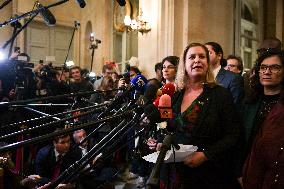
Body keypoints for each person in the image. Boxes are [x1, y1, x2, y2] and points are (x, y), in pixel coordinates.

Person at [158, 43, 242, 189]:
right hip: (174, 171)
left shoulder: (220, 95)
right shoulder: (175, 95)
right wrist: (161, 141)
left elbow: (233, 134)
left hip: (207, 173)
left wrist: (205, 155)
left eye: (202, 56)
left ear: (208, 63)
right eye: (192, 57)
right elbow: (165, 124)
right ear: (184, 64)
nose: (197, 60)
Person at [241, 49, 284, 189]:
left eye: (275, 67)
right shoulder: (249, 104)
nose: (267, 72)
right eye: (263, 67)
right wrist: (239, 173)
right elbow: (239, 140)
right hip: (249, 173)